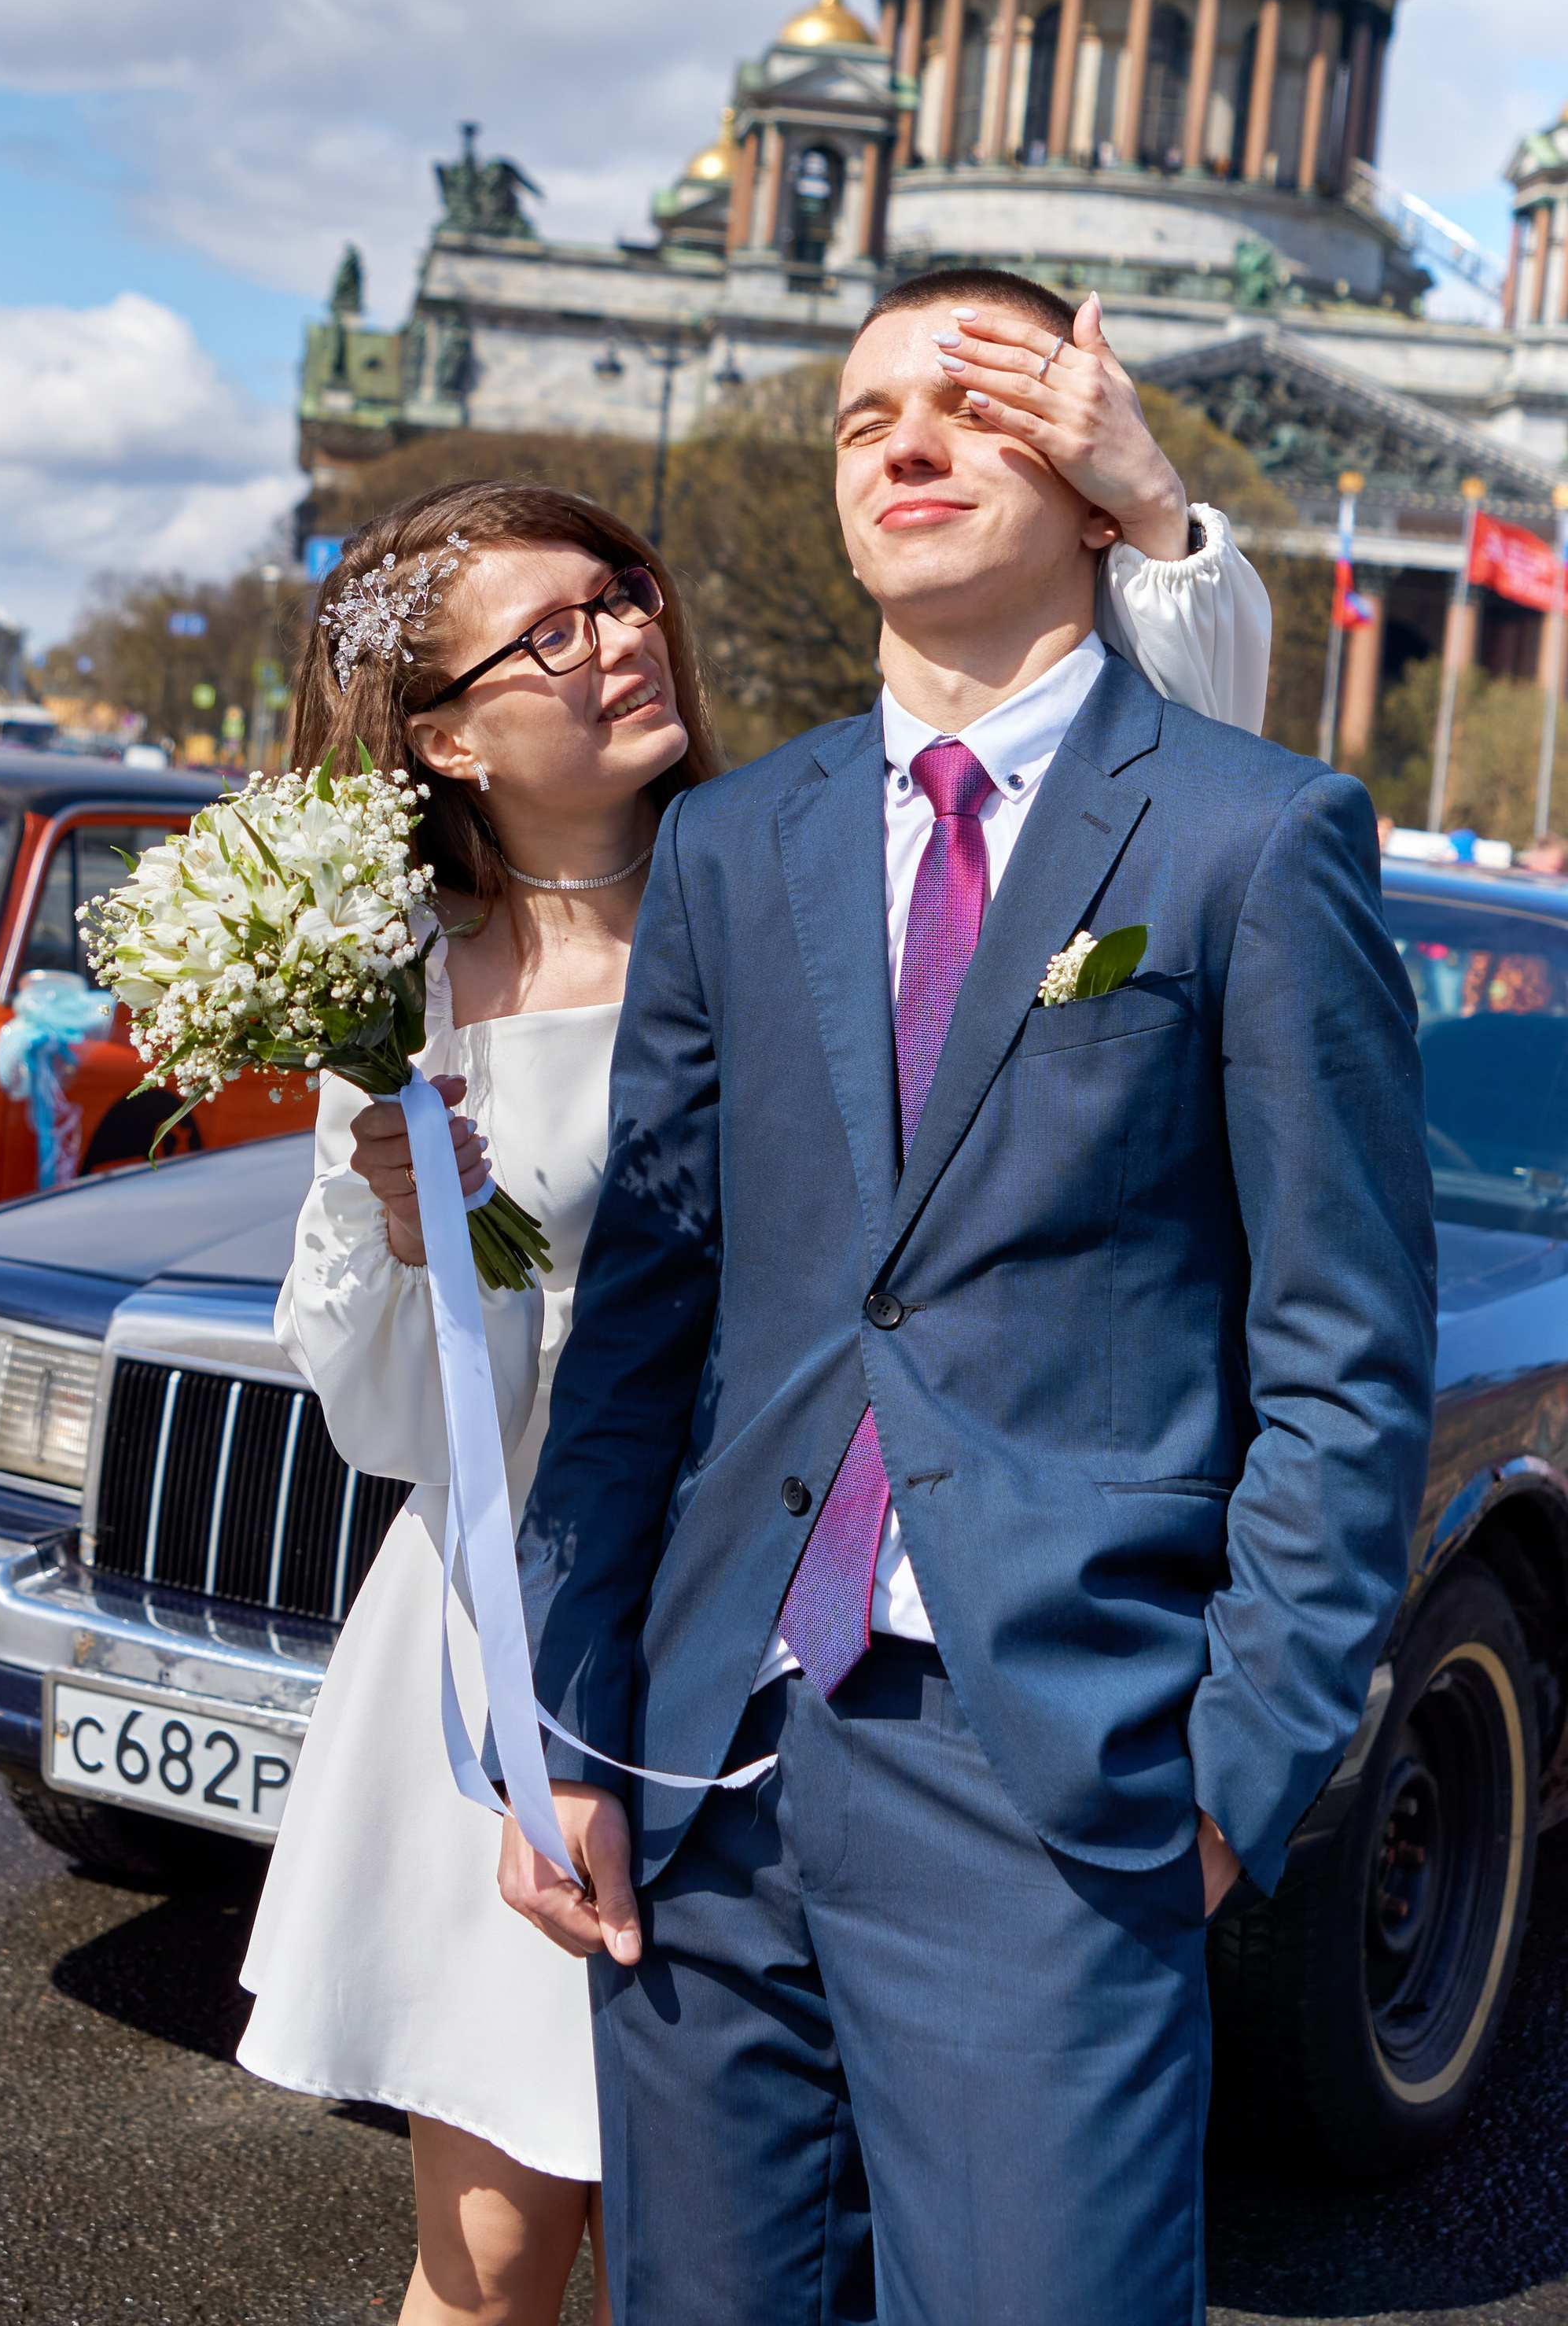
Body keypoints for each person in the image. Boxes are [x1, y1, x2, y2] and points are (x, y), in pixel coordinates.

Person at [239, 278, 1275, 2326]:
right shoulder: (402, 980)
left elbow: (1176, 753)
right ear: (443, 735)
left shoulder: (809, 857)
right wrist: (406, 1235)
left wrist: (1149, 509)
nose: (622, 639)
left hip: (826, 1647)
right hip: (540, 1629)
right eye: (552, 635)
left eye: (623, 596)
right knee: (498, 2253)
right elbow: (400, 1406)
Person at [502, 267, 1439, 2326]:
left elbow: (1347, 1360)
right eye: (863, 421)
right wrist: (565, 1708)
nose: (904, 444)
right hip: (705, 1765)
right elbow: (646, 1317)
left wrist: (1234, 1770)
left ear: (1096, 484)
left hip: (1051, 1782)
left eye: (972, 404)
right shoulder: (733, 845)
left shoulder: (1255, 840)